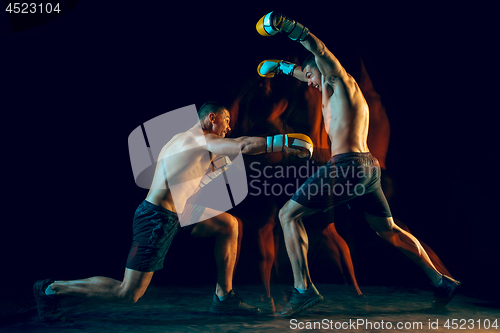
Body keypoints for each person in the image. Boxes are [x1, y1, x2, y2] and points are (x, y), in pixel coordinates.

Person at [256, 11, 460, 316]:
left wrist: (287, 27)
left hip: (348, 166)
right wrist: (283, 68)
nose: (307, 82)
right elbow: (307, 70)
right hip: (367, 169)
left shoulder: (339, 78)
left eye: (308, 76)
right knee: (388, 230)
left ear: (319, 70)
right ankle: (440, 281)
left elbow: (319, 52)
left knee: (288, 215)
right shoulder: (329, 86)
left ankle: (303, 290)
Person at [33, 101, 313, 321]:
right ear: (211, 118)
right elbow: (242, 144)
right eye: (226, 121)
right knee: (128, 293)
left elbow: (188, 178)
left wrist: (217, 168)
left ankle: (223, 297)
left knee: (229, 225)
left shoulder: (185, 140)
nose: (228, 128)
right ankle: (51, 289)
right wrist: (284, 142)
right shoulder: (199, 140)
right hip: (157, 218)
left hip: (182, 211)